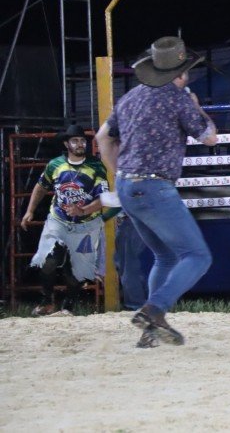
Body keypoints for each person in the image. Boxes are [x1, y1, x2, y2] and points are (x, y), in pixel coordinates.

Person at [95, 36, 218, 348]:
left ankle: (150, 332)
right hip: (154, 187)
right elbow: (209, 138)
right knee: (197, 256)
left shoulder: (130, 98)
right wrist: (198, 109)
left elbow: (102, 137)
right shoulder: (178, 99)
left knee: (164, 256)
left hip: (127, 185)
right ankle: (154, 310)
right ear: (182, 73)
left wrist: (120, 174)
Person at [21, 124, 108, 316]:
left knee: (77, 268)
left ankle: (68, 306)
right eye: (75, 141)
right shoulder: (55, 164)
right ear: (66, 143)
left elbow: (103, 197)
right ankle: (47, 302)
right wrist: (30, 210)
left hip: (86, 223)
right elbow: (41, 187)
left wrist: (83, 210)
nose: (80, 144)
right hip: (58, 220)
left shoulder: (96, 166)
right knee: (48, 260)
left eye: (82, 141)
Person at [113, 211, 148, 310]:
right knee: (132, 265)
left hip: (131, 222)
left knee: (128, 266)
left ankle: (135, 304)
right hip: (139, 221)